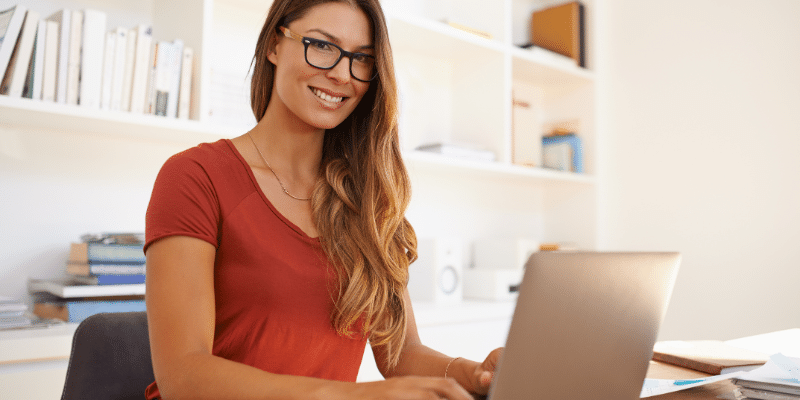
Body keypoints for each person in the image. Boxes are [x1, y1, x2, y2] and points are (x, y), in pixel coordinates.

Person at [144, 0, 502, 398]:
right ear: (274, 44)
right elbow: (183, 375)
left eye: (361, 59)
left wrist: (475, 375)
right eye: (323, 46)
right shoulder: (196, 176)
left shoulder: (364, 200)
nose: (341, 75)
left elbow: (401, 353)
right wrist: (351, 395)